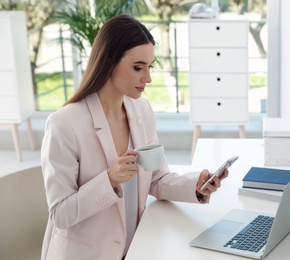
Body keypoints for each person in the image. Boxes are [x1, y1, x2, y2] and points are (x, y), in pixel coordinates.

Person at [40, 14, 228, 260]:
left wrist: (196, 186)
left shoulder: (142, 111)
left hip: (135, 248)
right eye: (138, 67)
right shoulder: (64, 124)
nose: (147, 78)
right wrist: (109, 179)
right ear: (108, 62)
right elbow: (61, 214)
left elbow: (156, 179)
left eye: (149, 67)